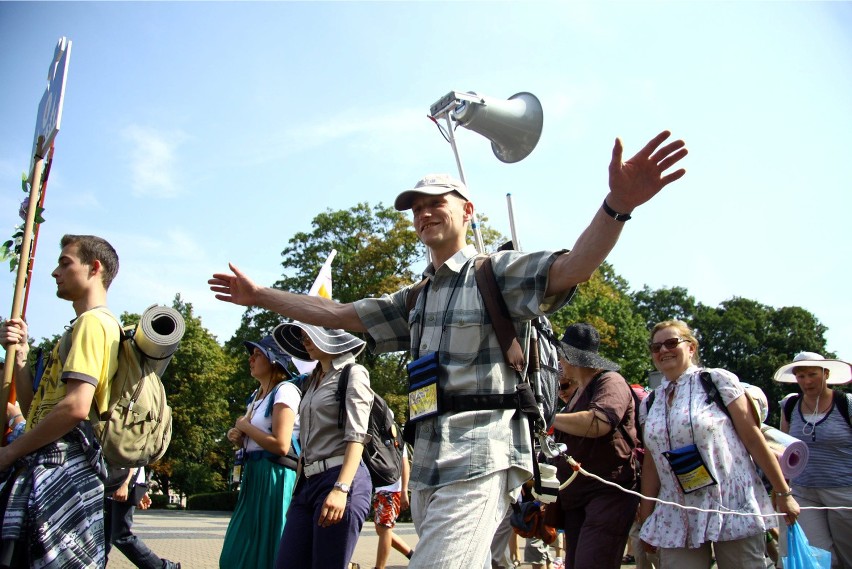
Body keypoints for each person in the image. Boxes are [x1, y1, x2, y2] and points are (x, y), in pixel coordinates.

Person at [209, 130, 689, 569]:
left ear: (467, 211)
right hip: (428, 465)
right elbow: (340, 315)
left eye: (438, 201)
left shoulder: (496, 272)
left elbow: (574, 267)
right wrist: (259, 297)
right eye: (417, 207)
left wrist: (617, 205)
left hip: (481, 453)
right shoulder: (415, 298)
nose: (425, 212)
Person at [0, 234, 121, 567]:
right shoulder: (76, 329)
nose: (55, 272)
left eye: (65, 262)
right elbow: (35, 411)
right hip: (50, 462)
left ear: (94, 268)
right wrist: (21, 358)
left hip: (61, 468)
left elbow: (76, 407)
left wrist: (10, 451)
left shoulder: (94, 324)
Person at [638, 320, 800, 569]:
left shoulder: (716, 381)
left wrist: (783, 492)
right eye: (655, 347)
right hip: (677, 512)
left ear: (691, 347)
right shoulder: (650, 403)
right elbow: (651, 464)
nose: (663, 351)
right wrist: (647, 517)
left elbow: (753, 438)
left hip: (731, 503)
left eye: (671, 343)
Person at [271, 322, 373, 569]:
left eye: (310, 333)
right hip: (307, 485)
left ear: (331, 336)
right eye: (302, 335)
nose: (304, 338)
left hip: (340, 480)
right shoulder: (311, 381)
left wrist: (341, 489)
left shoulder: (353, 373)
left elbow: (357, 435)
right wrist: (298, 493)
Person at [550, 323, 639, 569]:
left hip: (607, 494)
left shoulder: (610, 381)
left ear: (568, 356)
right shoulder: (578, 394)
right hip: (577, 499)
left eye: (561, 355)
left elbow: (599, 423)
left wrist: (546, 417)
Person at [220, 335, 302, 568]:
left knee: (270, 546)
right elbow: (254, 438)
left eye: (257, 354)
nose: (250, 358)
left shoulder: (285, 391)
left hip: (275, 476)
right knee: (237, 552)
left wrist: (245, 427)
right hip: (254, 474)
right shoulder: (255, 396)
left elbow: (281, 444)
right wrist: (237, 437)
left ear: (274, 361)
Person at [774, 351, 852, 568]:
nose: (807, 381)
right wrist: (781, 490)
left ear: (826, 374)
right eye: (801, 376)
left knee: (848, 556)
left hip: (845, 491)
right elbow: (783, 451)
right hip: (803, 492)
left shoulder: (847, 404)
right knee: (817, 556)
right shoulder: (789, 406)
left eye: (812, 374)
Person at [105, 466, 181, 568]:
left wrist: (125, 483)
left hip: (124, 481)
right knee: (103, 538)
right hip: (115, 482)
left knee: (121, 536)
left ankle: (164, 567)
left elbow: (132, 455)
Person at [372, 445, 414, 569]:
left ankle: (379, 567)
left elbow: (404, 464)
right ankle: (412, 556)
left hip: (392, 489)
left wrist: (404, 491)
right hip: (380, 489)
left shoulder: (396, 436)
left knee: (385, 528)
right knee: (381, 530)